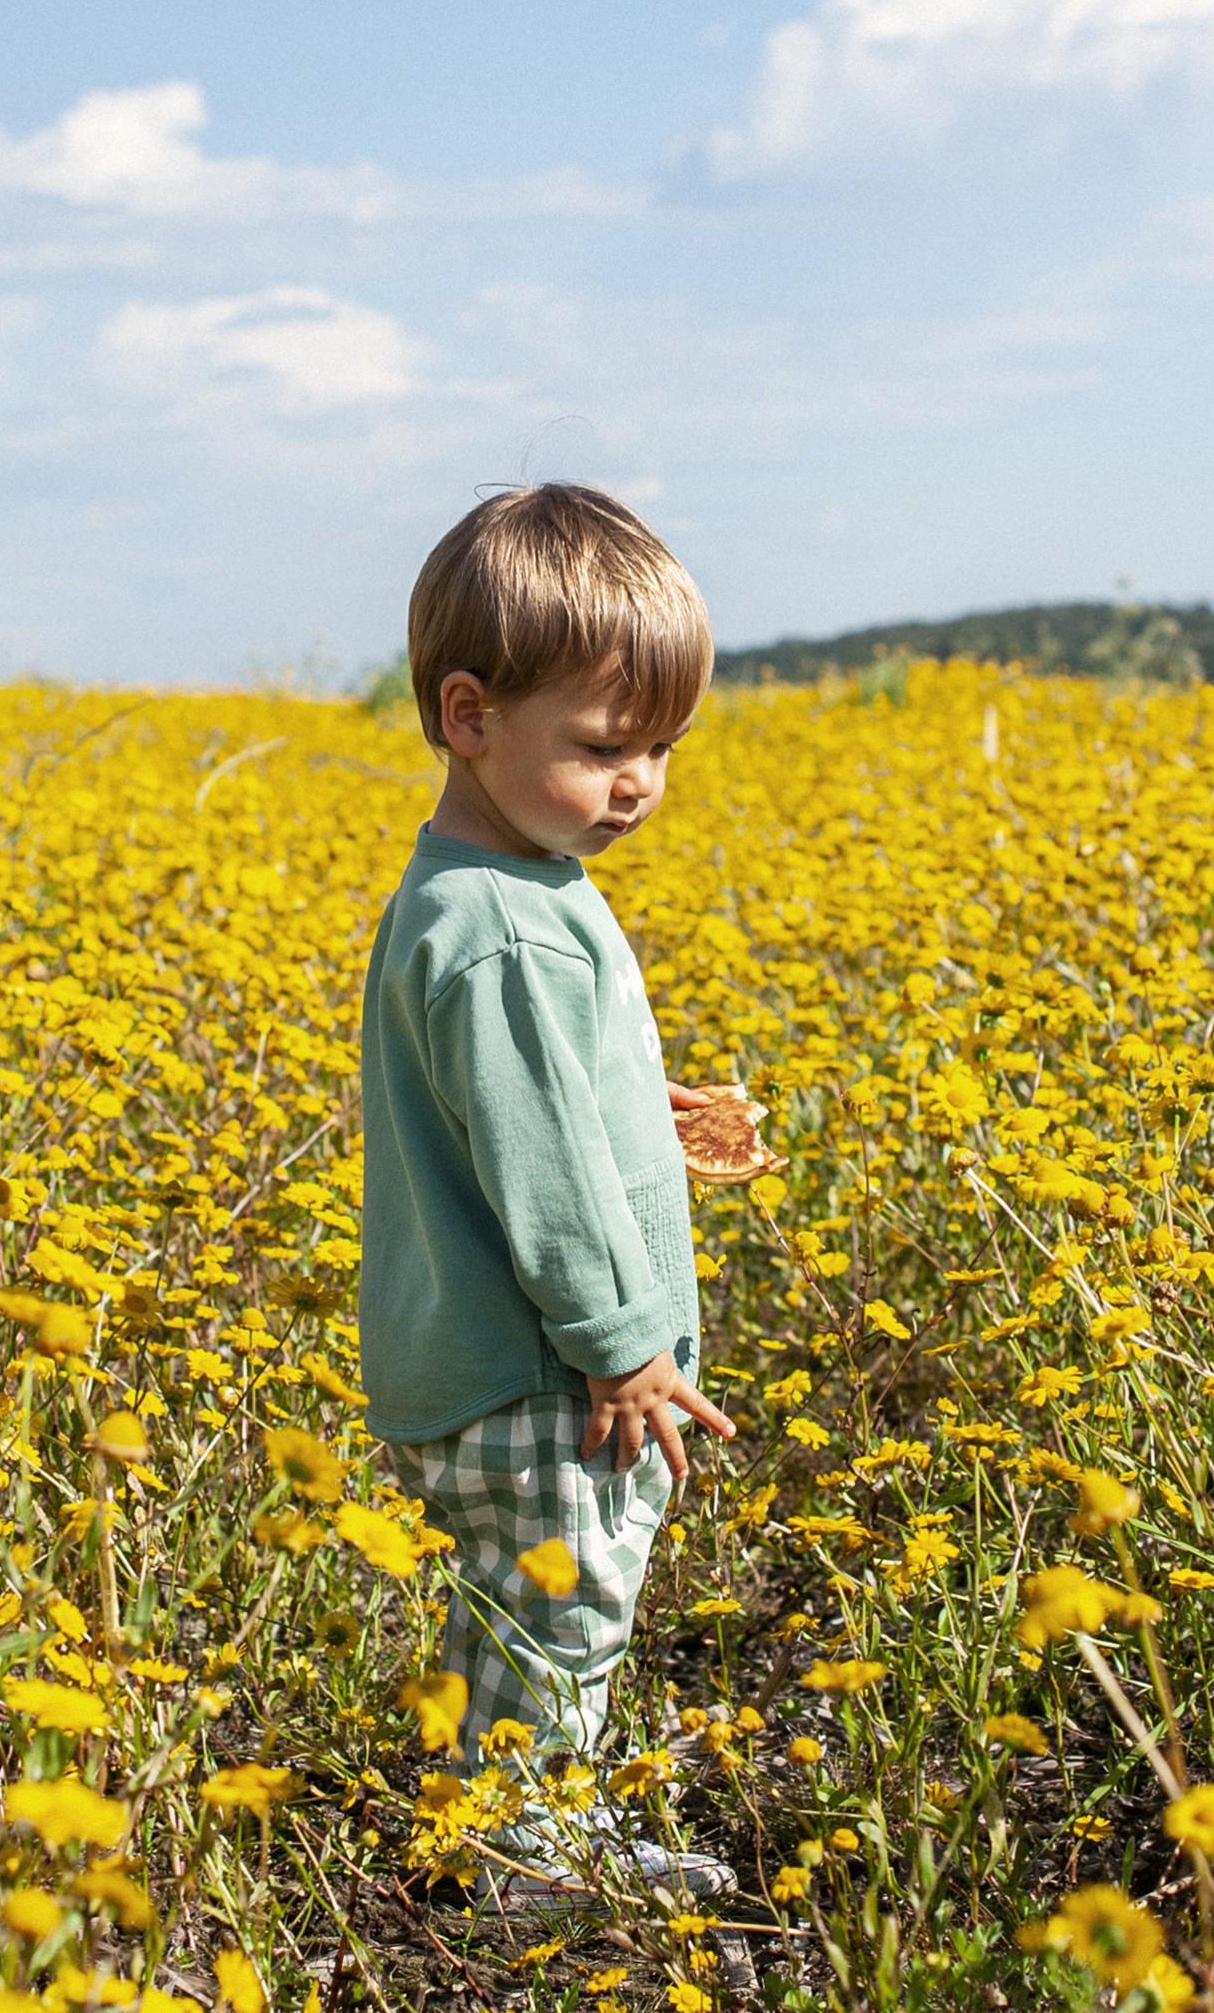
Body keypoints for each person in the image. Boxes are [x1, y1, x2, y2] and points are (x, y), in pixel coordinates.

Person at [358, 482, 738, 1906]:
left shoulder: (505, 883)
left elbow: (541, 1102)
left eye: (660, 748)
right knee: (562, 1620)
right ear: (470, 717)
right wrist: (625, 1341)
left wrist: (659, 1104)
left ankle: (495, 1827)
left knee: (514, 1612)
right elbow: (546, 1175)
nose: (636, 780)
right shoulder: (502, 931)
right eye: (601, 745)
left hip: (508, 1358)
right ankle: (530, 1861)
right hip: (544, 1367)